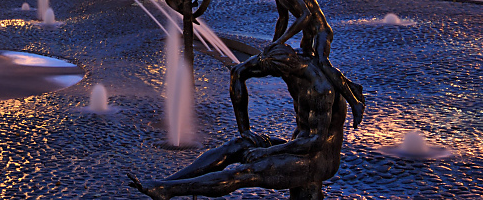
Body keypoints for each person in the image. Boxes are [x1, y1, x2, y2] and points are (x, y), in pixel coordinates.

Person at [128, 44, 347, 200]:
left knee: (247, 172)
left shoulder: (320, 89)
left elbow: (315, 141)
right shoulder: (288, 59)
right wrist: (245, 130)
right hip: (296, 146)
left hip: (319, 158)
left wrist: (267, 152)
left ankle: (170, 190)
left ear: (285, 69)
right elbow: (238, 72)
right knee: (238, 145)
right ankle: (167, 183)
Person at [251, 0, 365, 129]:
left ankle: (355, 103)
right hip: (308, 35)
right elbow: (282, 19)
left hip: (321, 32)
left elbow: (305, 16)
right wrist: (273, 44)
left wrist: (281, 41)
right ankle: (352, 86)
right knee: (307, 66)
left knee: (321, 62)